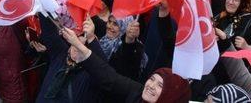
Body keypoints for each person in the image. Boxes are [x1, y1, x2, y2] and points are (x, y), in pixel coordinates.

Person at [62, 27, 191, 103]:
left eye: (160, 85)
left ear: (171, 95)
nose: (151, 86)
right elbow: (109, 78)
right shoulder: (137, 92)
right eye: (152, 79)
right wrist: (79, 46)